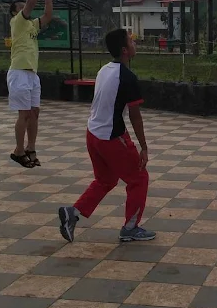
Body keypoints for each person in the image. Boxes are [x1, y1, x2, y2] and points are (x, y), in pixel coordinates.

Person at [58, 29, 155, 243]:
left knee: (106, 180)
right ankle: (130, 228)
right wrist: (144, 147)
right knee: (139, 178)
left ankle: (72, 213)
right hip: (111, 137)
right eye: (131, 41)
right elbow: (135, 117)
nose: (134, 43)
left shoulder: (104, 70)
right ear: (124, 50)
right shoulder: (127, 77)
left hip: (93, 134)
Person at [7, 0, 55, 168]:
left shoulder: (32, 26)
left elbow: (48, 15)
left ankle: (31, 148)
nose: (25, 8)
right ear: (15, 12)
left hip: (32, 74)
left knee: (34, 112)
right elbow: (30, 3)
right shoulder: (17, 22)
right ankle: (18, 151)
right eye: (20, 7)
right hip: (19, 72)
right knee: (24, 114)